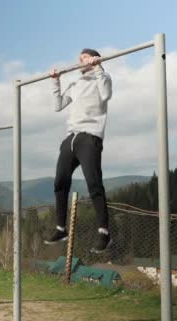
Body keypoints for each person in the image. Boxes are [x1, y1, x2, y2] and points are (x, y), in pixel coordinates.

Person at [43, 48, 113, 254]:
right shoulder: (76, 84)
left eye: (84, 58)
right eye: (79, 59)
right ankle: (60, 229)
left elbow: (106, 95)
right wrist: (56, 82)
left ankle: (104, 232)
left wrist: (98, 66)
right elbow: (58, 106)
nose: (80, 61)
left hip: (89, 136)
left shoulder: (103, 77)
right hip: (71, 137)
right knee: (60, 182)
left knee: (93, 183)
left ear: (92, 59)